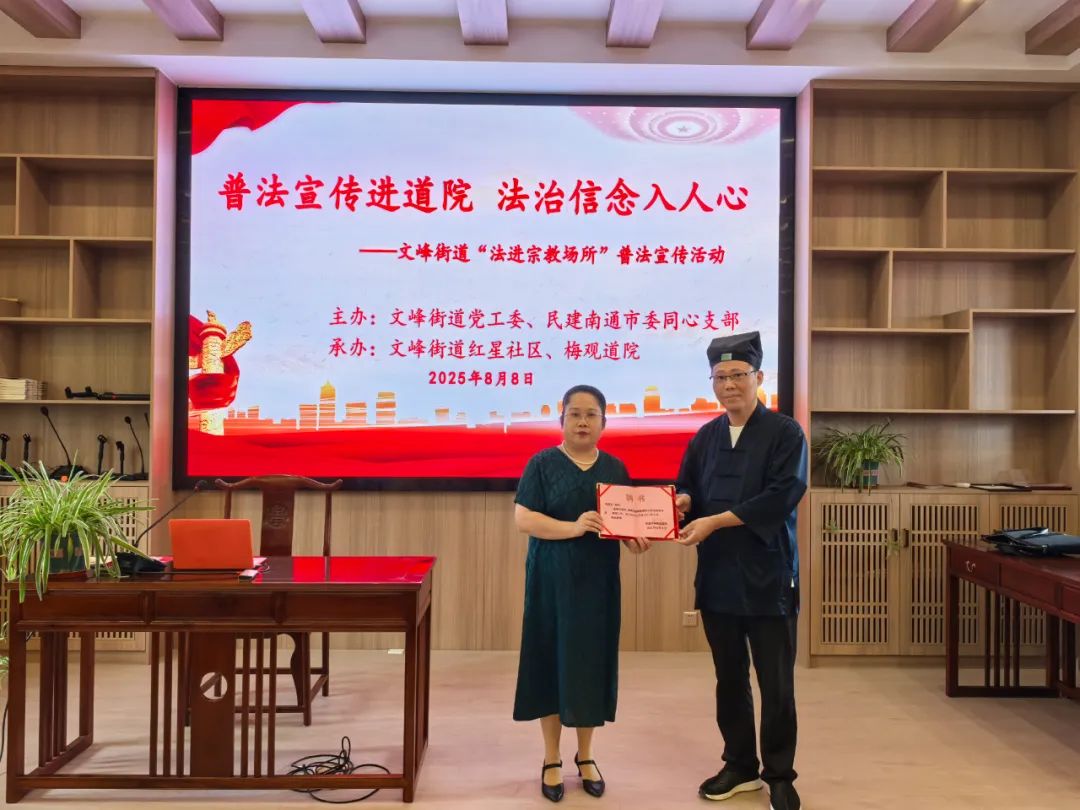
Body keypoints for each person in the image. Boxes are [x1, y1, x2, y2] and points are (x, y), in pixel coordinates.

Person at [673, 331, 808, 810]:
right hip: (718, 578)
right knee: (728, 677)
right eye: (720, 377)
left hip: (769, 576)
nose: (729, 385)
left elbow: (782, 495)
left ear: (759, 377)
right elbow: (688, 488)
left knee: (776, 683)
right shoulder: (705, 436)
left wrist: (716, 521)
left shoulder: (786, 433)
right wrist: (683, 503)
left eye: (738, 375)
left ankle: (780, 774)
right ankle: (740, 765)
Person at [513, 384, 650, 803]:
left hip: (597, 583)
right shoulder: (541, 463)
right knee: (550, 662)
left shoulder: (615, 468)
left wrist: (635, 540)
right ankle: (551, 757)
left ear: (604, 423)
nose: (583, 422)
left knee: (591, 664)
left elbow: (625, 524)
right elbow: (524, 519)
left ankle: (586, 755)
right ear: (562, 420)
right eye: (575, 414)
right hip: (550, 582)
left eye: (592, 415)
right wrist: (573, 528)